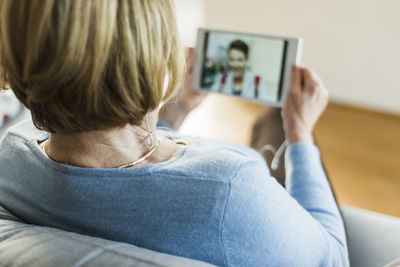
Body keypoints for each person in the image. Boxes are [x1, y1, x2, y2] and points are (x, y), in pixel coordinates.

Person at [0, 1, 348, 266]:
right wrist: (300, 133)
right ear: (157, 58)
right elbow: (333, 257)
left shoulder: (10, 156)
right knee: (276, 120)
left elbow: (110, 169)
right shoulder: (227, 189)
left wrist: (174, 112)